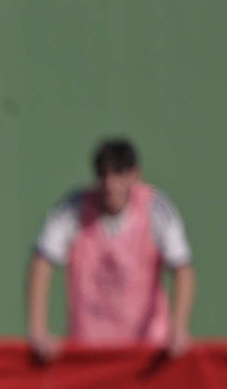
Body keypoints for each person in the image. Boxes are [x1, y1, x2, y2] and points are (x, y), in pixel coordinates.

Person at [25, 138, 196, 361]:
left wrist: (179, 329)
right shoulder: (73, 208)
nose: (110, 183)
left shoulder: (156, 208)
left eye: (119, 173)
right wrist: (38, 330)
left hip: (148, 352)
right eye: (104, 174)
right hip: (90, 351)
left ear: (135, 174)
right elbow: (42, 261)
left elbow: (182, 269)